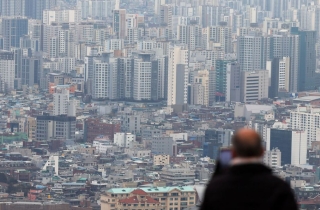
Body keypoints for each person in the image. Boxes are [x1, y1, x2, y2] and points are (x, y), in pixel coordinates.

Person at [200, 129, 298, 210]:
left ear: (233, 153)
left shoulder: (216, 188)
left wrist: (217, 177)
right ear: (262, 152)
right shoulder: (279, 187)